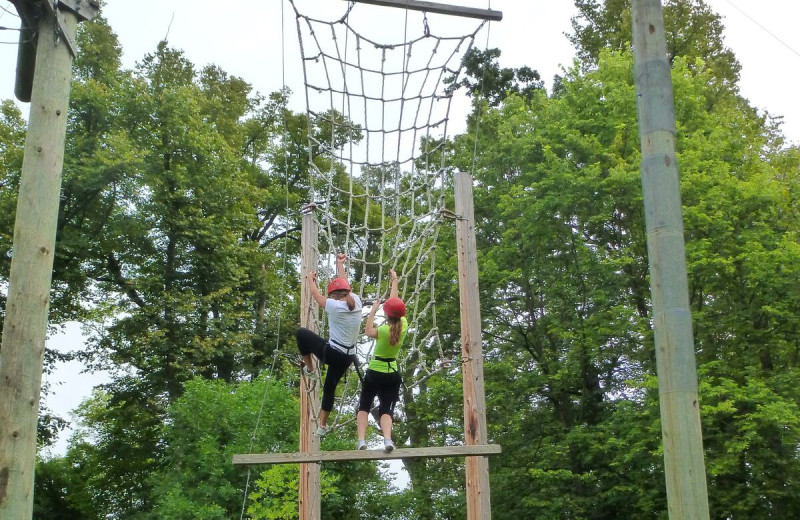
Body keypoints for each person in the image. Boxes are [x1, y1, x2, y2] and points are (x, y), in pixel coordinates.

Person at [296, 253, 362, 437]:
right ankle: (322, 426)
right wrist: (340, 264)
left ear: (333, 295)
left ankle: (310, 369)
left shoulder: (334, 305)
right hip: (348, 357)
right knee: (330, 388)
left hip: (333, 353)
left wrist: (310, 280)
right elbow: (344, 282)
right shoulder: (356, 300)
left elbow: (317, 296)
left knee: (301, 334)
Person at [356, 269, 407, 453]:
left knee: (364, 406)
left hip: (375, 371)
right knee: (386, 409)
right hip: (392, 372)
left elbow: (368, 331)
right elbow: (395, 304)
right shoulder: (404, 326)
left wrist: (372, 311)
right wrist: (395, 281)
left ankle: (361, 441)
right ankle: (387, 440)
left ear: (386, 315)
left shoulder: (384, 330)